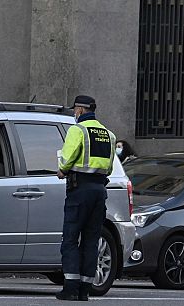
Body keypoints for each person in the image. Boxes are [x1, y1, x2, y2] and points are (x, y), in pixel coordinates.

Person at [56, 95, 116, 301]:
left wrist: (62, 170)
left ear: (80, 110)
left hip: (79, 190)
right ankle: (84, 289)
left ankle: (70, 288)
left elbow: (66, 160)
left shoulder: (78, 130)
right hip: (99, 191)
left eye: (75, 110)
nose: (74, 113)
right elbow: (109, 167)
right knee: (91, 240)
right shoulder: (109, 135)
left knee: (70, 238)